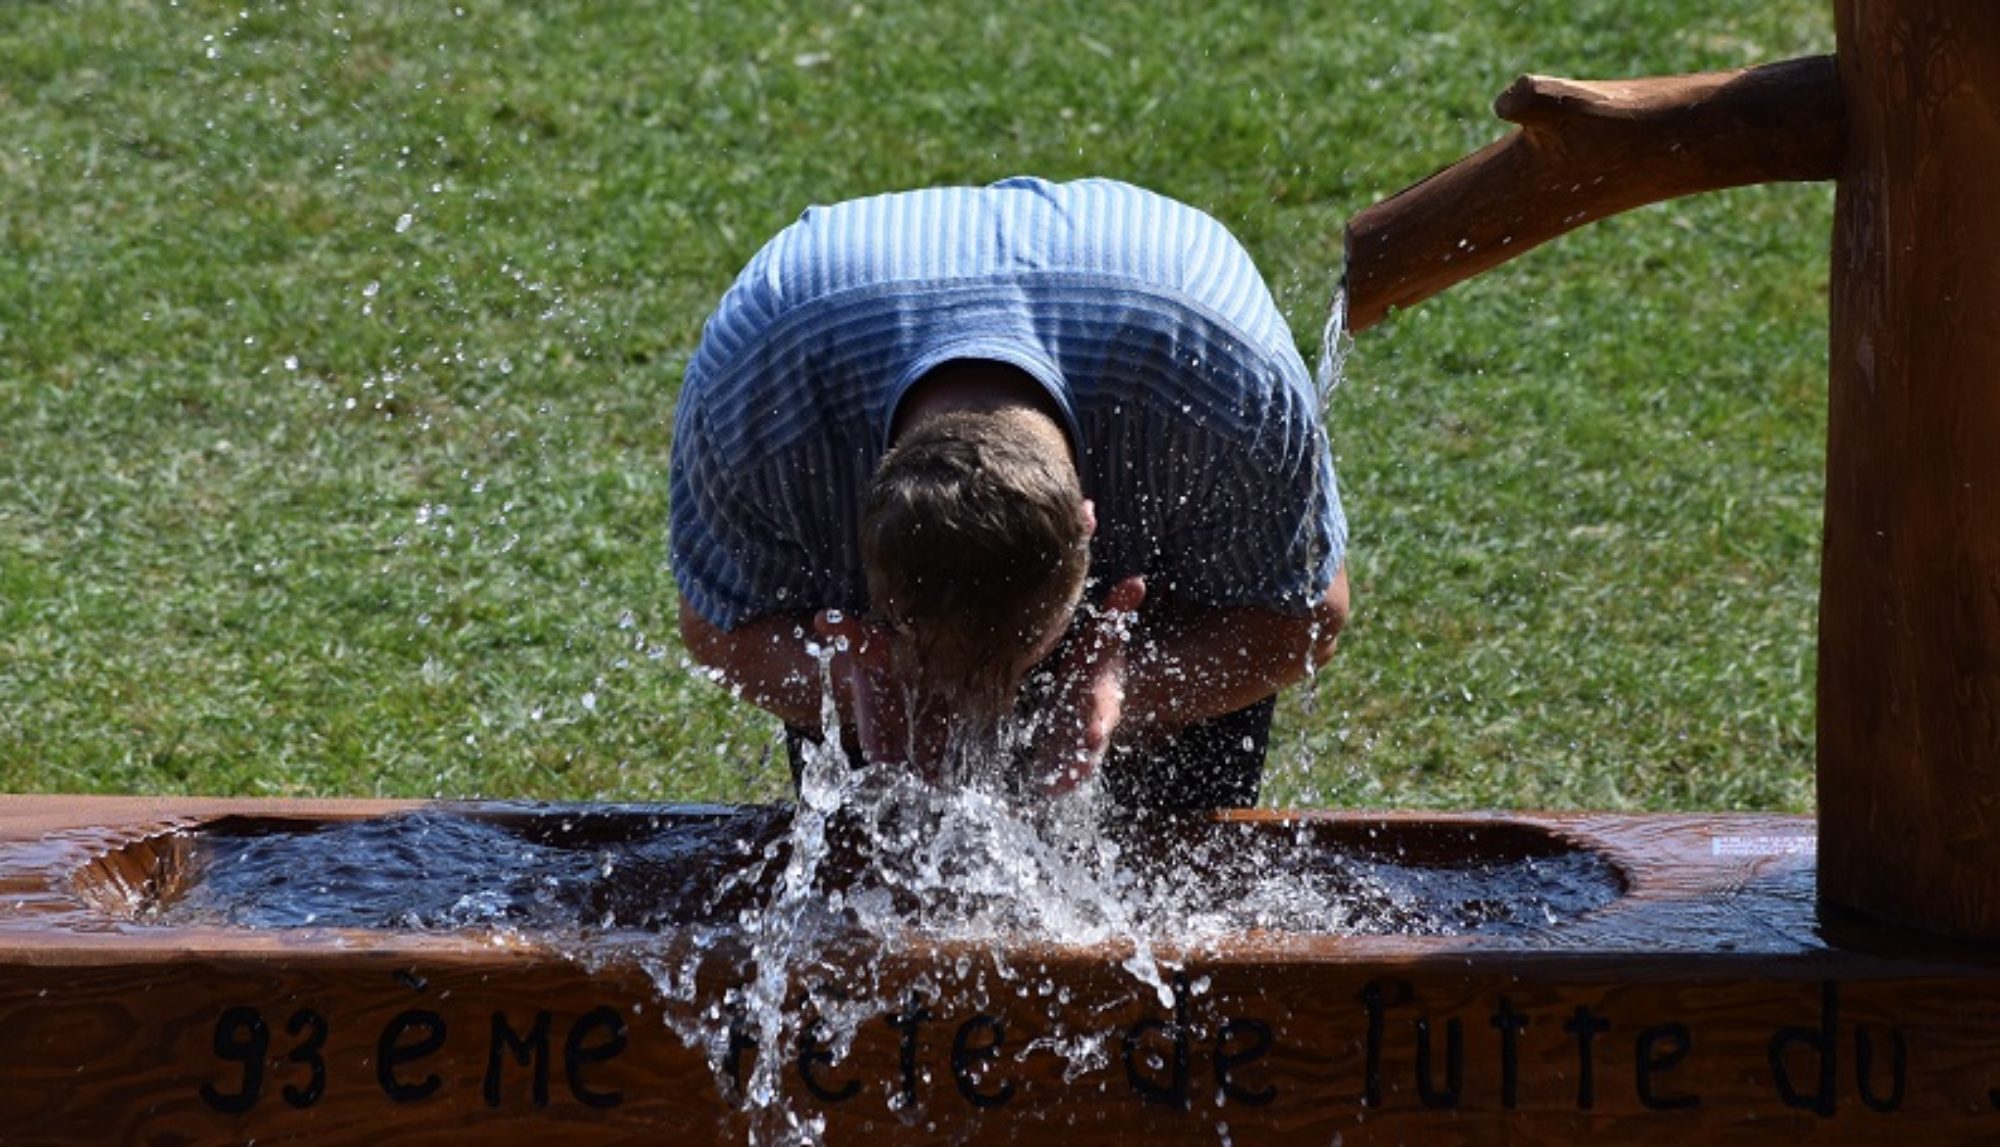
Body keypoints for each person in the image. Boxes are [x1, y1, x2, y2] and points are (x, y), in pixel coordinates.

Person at [670, 177, 1349, 808]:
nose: (993, 707)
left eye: (1024, 665)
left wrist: (1131, 687)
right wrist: (850, 687)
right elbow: (720, 629)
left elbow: (1309, 615)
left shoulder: (1225, 395)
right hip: (828, 361)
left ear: (1090, 525)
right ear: (860, 525)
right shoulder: (756, 406)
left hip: (1155, 400)